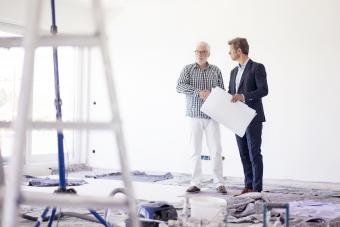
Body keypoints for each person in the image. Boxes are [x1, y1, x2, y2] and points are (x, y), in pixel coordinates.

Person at [176, 41, 226, 194]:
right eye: (198, 51)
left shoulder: (216, 70)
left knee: (216, 150)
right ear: (194, 53)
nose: (200, 54)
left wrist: (213, 95)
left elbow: (222, 90)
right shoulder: (188, 69)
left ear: (208, 54)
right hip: (194, 115)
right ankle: (196, 182)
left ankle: (219, 183)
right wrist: (198, 92)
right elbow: (179, 86)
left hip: (212, 116)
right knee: (194, 150)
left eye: (203, 52)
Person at [227, 37, 268, 194]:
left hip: (253, 118)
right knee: (243, 153)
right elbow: (231, 93)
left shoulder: (257, 68)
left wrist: (243, 96)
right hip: (237, 119)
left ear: (239, 51)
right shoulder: (233, 72)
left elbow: (263, 90)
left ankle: (257, 189)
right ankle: (248, 185)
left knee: (254, 153)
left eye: (230, 50)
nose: (228, 53)